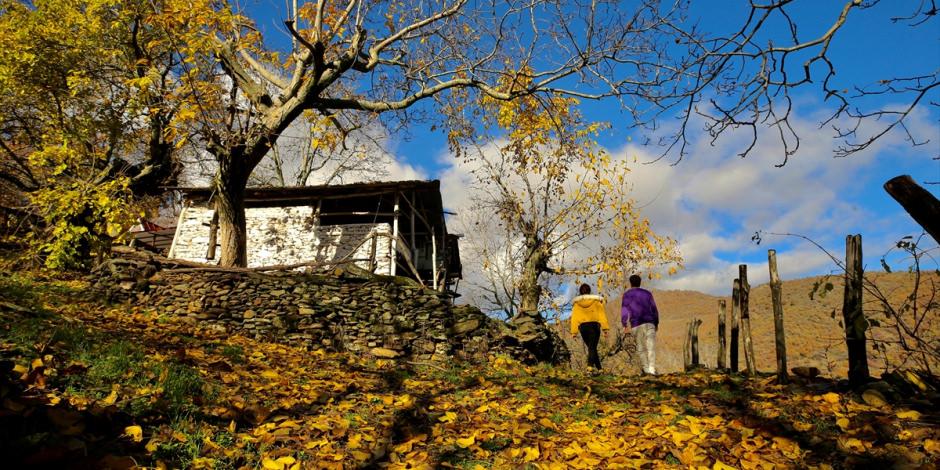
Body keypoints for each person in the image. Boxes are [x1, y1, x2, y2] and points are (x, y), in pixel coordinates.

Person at [621, 274, 659, 375]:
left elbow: (624, 310)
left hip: (636, 324)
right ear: (640, 282)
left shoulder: (627, 295)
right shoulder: (647, 293)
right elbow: (654, 309)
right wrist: (656, 322)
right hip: (650, 322)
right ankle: (652, 369)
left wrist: (624, 323)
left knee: (640, 348)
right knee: (651, 347)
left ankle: (646, 370)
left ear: (630, 283)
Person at [570, 283, 609, 371]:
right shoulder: (596, 302)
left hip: (583, 327)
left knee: (592, 347)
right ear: (589, 291)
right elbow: (602, 315)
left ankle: (600, 369)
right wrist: (605, 328)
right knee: (592, 347)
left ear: (580, 292)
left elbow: (574, 318)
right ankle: (590, 367)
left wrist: (574, 332)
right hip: (594, 326)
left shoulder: (576, 304)